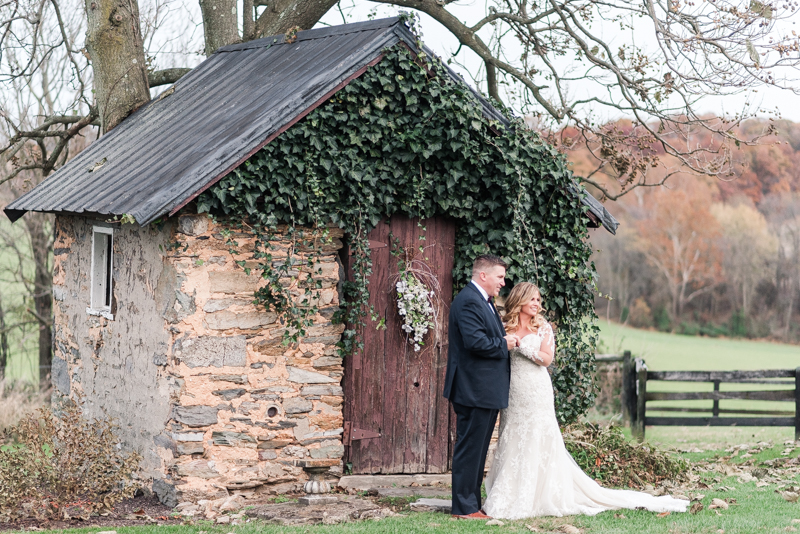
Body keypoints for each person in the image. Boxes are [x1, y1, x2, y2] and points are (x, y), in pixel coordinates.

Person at [483, 282, 690, 519]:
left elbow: (547, 359)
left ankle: (538, 494)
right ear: (519, 300)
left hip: (536, 389)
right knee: (514, 436)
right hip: (513, 391)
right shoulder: (504, 325)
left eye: (539, 300)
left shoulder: (543, 328)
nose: (537, 304)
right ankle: (510, 492)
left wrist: (523, 349)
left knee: (538, 435)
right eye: (533, 299)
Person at [443, 254, 520, 519]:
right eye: (500, 276)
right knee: (470, 448)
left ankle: (472, 504)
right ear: (482, 275)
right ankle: (464, 508)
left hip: (483, 390)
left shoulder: (482, 301)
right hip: (473, 389)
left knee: (478, 449)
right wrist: (504, 344)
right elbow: (475, 342)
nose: (503, 282)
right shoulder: (468, 302)